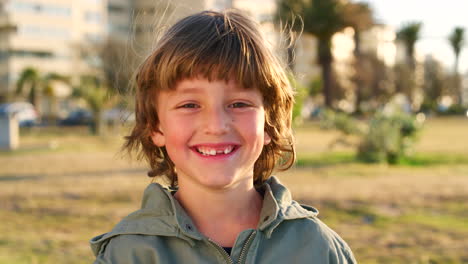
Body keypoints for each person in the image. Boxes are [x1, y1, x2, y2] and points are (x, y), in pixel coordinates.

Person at [90, 9, 356, 264]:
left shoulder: (319, 249)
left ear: (269, 123)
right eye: (190, 105)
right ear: (156, 126)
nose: (216, 126)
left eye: (239, 104)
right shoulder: (128, 254)